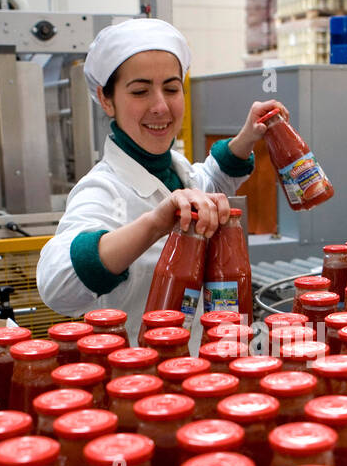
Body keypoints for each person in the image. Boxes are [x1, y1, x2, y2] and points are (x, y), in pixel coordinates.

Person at [36, 18, 284, 332]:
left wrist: (247, 137)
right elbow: (56, 286)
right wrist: (155, 224)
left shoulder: (178, 172)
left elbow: (210, 180)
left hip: (208, 368)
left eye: (171, 88)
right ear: (106, 99)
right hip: (145, 373)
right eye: (140, 91)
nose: (160, 106)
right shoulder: (102, 190)